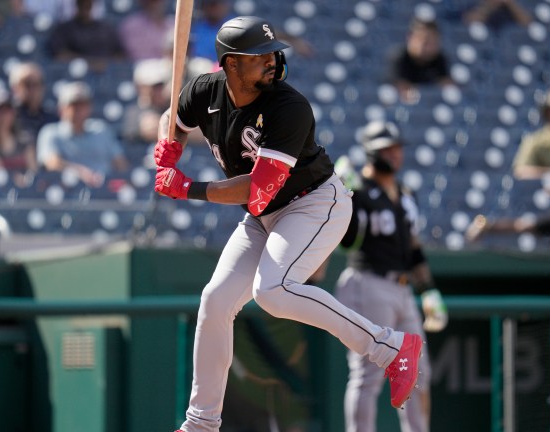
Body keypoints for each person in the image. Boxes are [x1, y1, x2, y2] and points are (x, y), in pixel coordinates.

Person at [152, 16, 424, 432]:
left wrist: (187, 187)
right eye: (258, 56)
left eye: (271, 53)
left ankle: (390, 347)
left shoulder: (289, 106)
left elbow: (258, 188)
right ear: (230, 65)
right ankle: (201, 423)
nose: (271, 61)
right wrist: (167, 144)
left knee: (273, 291)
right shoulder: (205, 90)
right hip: (265, 216)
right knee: (216, 301)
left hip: (315, 203)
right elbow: (173, 117)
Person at [333, 121, 447, 432]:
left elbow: (413, 245)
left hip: (402, 287)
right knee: (368, 374)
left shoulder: (406, 193)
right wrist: (346, 195)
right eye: (386, 148)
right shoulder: (360, 189)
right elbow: (347, 242)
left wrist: (428, 290)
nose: (394, 154)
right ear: (371, 151)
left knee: (416, 371)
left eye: (396, 147)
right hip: (367, 281)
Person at [36, 81, 128, 186]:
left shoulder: (101, 130)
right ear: (62, 109)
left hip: (104, 191)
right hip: (67, 192)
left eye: (83, 105)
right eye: (74, 105)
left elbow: (120, 163)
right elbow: (52, 163)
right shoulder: (50, 132)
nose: (79, 110)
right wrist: (80, 173)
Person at [385, 16, 454, 104]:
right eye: (425, 41)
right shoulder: (398, 58)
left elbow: (447, 86)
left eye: (434, 42)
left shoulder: (440, 59)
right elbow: (401, 89)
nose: (429, 47)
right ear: (410, 38)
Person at [46, 0, 125, 69]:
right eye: (82, 3)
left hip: (106, 73)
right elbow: (60, 56)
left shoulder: (107, 29)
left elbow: (120, 56)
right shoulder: (64, 29)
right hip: (76, 75)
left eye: (88, 4)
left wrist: (106, 65)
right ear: (77, 4)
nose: (85, 7)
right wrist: (91, 63)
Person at [121, 58, 171, 144]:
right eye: (154, 86)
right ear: (140, 86)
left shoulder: (172, 109)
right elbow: (129, 134)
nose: (159, 90)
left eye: (161, 85)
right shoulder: (132, 111)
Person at [7, 62, 59, 145]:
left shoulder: (52, 118)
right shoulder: (7, 116)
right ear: (14, 88)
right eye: (27, 84)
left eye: (37, 84)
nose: (32, 89)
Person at [463, 0, 533, 31]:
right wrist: (491, 5)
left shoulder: (514, 7)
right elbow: (469, 22)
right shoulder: (477, 4)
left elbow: (527, 23)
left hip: (509, 47)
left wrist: (511, 4)